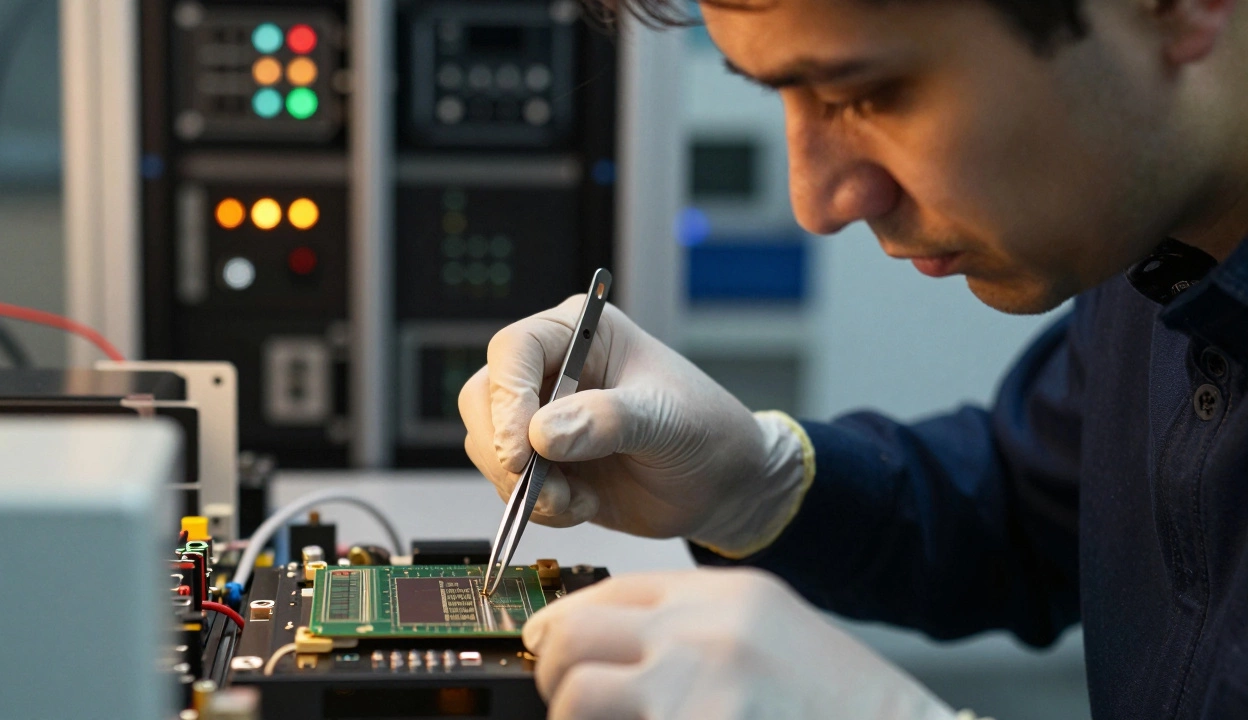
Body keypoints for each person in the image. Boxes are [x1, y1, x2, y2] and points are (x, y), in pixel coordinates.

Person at [458, 0, 1248, 717]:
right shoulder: (1153, 242)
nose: (819, 202)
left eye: (865, 95)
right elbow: (1041, 507)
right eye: (780, 93)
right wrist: (758, 483)